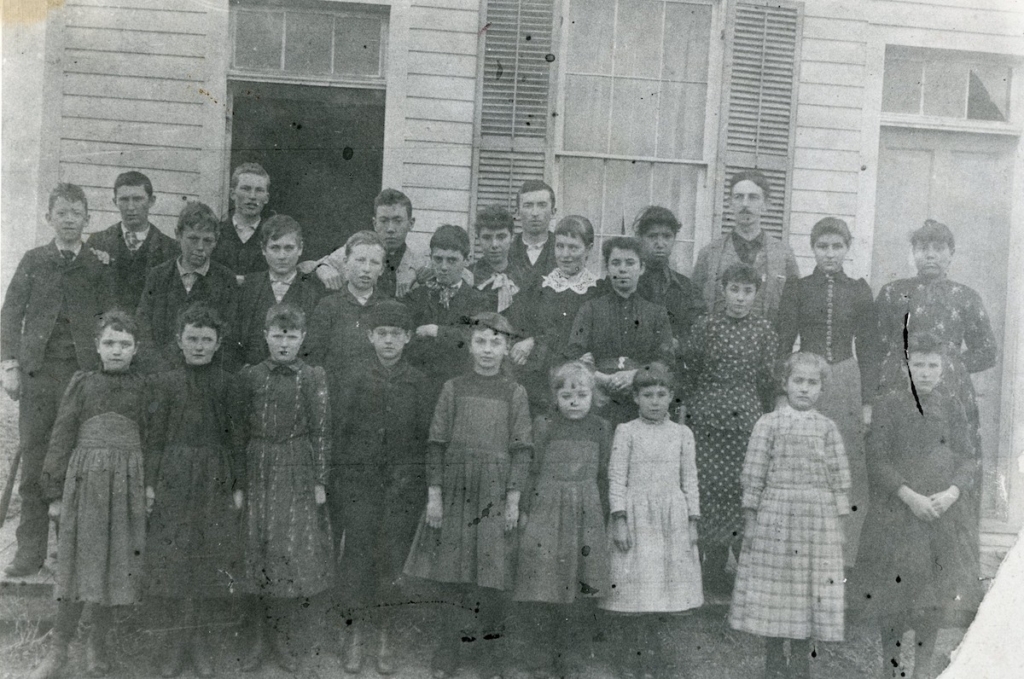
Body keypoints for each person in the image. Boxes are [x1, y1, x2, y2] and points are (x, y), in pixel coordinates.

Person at [403, 312, 533, 679]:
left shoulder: (515, 392)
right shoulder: (453, 387)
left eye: (496, 343)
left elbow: (522, 447)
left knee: (492, 573)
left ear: (507, 348)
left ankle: (491, 654)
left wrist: (512, 498)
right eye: (480, 342)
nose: (488, 350)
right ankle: (449, 650)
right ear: (470, 345)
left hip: (495, 489)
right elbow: (436, 442)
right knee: (453, 572)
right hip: (457, 486)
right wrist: (434, 494)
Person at [28, 311, 154, 679]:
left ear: (136, 349)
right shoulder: (82, 384)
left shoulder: (145, 388)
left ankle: (97, 643)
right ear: (97, 347)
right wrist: (54, 494)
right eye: (110, 343)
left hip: (126, 486)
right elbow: (61, 437)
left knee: (112, 566)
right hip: (85, 487)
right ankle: (58, 650)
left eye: (125, 344)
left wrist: (147, 489)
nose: (117, 351)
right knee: (76, 566)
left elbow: (153, 440)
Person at [1, 183, 115, 578]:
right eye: (61, 213)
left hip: (83, 377)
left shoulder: (99, 265)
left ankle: (70, 552)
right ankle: (29, 551)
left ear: (88, 219)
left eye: (76, 213)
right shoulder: (34, 261)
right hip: (39, 376)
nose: (69, 220)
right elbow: (10, 315)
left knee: (77, 460)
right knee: (34, 459)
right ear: (49, 218)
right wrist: (11, 366)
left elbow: (109, 318)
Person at [853, 333, 981, 679]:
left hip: (940, 515)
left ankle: (925, 670)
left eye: (933, 365)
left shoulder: (952, 404)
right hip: (899, 514)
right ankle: (890, 668)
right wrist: (910, 497)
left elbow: (969, 458)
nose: (925, 372)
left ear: (943, 369)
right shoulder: (889, 404)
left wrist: (953, 492)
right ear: (906, 367)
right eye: (919, 364)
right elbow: (876, 460)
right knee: (892, 597)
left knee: (933, 598)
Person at [730, 352, 851, 679]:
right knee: (775, 586)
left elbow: (840, 478)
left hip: (817, 517)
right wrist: (751, 521)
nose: (804, 389)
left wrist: (839, 525)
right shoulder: (768, 423)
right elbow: (753, 474)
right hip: (776, 514)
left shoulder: (827, 428)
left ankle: (799, 657)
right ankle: (773, 657)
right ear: (784, 383)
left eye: (813, 383)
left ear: (821, 389)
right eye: (798, 381)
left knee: (808, 587)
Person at [330, 300, 430, 675]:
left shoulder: (418, 382)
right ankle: (355, 632)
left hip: (402, 488)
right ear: (371, 336)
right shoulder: (355, 377)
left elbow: (423, 439)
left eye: (396, 334)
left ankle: (386, 632)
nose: (388, 341)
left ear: (407, 338)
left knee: (392, 559)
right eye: (382, 334)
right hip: (359, 484)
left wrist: (414, 484)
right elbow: (341, 432)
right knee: (356, 556)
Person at [234, 303, 333, 673]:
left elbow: (322, 430)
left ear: (302, 338)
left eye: (291, 335)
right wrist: (240, 483)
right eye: (278, 334)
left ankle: (285, 637)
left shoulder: (313, 377)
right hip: (258, 466)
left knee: (290, 551)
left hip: (297, 468)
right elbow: (239, 429)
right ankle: (259, 637)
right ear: (266, 336)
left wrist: (320, 480)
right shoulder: (251, 376)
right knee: (257, 548)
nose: (284, 342)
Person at [144, 304, 242, 679]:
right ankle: (172, 645)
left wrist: (238, 486)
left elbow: (237, 440)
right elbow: (154, 438)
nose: (199, 347)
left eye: (206, 340)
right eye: (192, 339)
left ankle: (197, 643)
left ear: (217, 345)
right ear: (178, 341)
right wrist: (151, 483)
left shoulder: (229, 383)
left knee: (205, 558)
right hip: (173, 474)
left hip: (215, 476)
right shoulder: (164, 382)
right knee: (172, 558)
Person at [775, 217, 880, 565]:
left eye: (837, 246)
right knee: (805, 462)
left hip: (847, 382)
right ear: (813, 249)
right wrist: (781, 393)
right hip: (807, 379)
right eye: (823, 246)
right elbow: (783, 343)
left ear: (847, 249)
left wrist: (866, 404)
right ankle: (800, 553)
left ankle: (842, 556)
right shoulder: (798, 288)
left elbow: (868, 350)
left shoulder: (860, 290)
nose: (830, 254)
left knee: (845, 466)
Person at [600, 362, 702, 679]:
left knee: (663, 588)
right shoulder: (626, 431)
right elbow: (617, 478)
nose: (655, 401)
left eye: (661, 394)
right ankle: (629, 658)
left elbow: (691, 479)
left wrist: (692, 520)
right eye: (648, 395)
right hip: (636, 516)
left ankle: (654, 656)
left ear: (671, 396)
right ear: (635, 397)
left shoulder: (682, 433)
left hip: (671, 517)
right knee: (634, 589)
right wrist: (619, 518)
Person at [682, 263, 778, 596]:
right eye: (734, 289)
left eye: (747, 291)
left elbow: (767, 379)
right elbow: (691, 369)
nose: (740, 298)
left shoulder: (764, 330)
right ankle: (710, 565)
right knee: (708, 485)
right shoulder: (706, 326)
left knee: (742, 486)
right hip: (708, 414)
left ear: (756, 294)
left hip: (747, 417)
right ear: (722, 290)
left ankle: (742, 569)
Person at [513, 361, 612, 678]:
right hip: (547, 510)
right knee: (543, 579)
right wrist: (526, 508)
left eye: (581, 395)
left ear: (592, 396)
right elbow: (531, 468)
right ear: (554, 397)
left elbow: (604, 475)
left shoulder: (601, 428)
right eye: (566, 395)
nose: (573, 401)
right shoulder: (544, 425)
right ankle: (541, 651)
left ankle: (570, 652)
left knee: (579, 582)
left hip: (586, 513)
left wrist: (605, 515)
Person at [873, 219, 997, 439]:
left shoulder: (965, 297)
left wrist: (951, 364)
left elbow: (987, 351)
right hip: (899, 390)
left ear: (951, 254)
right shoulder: (892, 292)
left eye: (938, 249)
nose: (930, 255)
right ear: (913, 252)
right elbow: (875, 347)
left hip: (949, 393)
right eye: (923, 248)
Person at [566, 236, 674, 425]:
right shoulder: (590, 309)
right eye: (616, 263)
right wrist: (600, 378)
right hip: (598, 397)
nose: (623, 269)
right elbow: (573, 354)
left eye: (630, 263)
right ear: (607, 268)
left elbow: (665, 360)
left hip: (641, 398)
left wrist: (635, 375)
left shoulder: (656, 313)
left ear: (641, 268)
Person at [507, 215, 603, 413]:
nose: (565, 254)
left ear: (589, 249)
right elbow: (520, 327)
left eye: (573, 247)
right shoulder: (539, 286)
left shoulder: (598, 291)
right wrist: (529, 341)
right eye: (560, 246)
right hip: (539, 376)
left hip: (579, 382)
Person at [136, 201, 238, 372]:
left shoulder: (225, 279)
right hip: (161, 372)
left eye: (207, 241)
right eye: (193, 239)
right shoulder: (158, 276)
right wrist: (159, 367)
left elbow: (229, 334)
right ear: (178, 235)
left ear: (216, 241)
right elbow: (143, 326)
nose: (200, 247)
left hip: (207, 371)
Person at [692, 169, 799, 324]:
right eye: (739, 197)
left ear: (765, 204)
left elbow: (792, 310)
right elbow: (695, 304)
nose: (745, 204)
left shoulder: (784, 255)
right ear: (730, 204)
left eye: (753, 197)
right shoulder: (709, 253)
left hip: (768, 345)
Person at [311, 188, 456, 297]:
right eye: (384, 221)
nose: (391, 229)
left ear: (411, 224)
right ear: (374, 223)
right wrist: (322, 268)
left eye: (398, 221)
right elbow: (306, 267)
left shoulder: (419, 260)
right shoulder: (355, 251)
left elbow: (461, 273)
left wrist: (420, 272)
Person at [404, 224, 489, 398]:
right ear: (430, 258)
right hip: (420, 388)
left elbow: (471, 339)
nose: (443, 267)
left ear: (467, 260)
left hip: (461, 387)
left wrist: (436, 331)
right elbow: (408, 342)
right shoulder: (417, 297)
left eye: (452, 260)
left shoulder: (478, 301)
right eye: (438, 259)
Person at [235, 215, 325, 366]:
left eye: (289, 248)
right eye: (275, 248)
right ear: (263, 249)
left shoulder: (314, 289)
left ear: (300, 248)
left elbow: (317, 344)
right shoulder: (249, 286)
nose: (282, 256)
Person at [86, 170, 180, 312]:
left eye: (137, 199)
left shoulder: (170, 248)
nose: (130, 207)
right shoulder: (97, 242)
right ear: (115, 202)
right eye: (124, 199)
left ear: (151, 201)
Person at [306, 230, 386, 386]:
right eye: (360, 260)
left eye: (374, 263)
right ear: (345, 262)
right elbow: (313, 358)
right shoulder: (327, 306)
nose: (366, 269)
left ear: (382, 269)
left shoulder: (387, 307)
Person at [633, 206, 705, 366]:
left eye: (667, 236)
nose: (660, 243)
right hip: (631, 368)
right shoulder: (626, 283)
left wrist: (679, 343)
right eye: (652, 236)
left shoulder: (687, 288)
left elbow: (699, 331)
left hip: (672, 370)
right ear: (639, 238)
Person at [212, 162, 272, 280]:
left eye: (259, 190)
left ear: (266, 198)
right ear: (232, 194)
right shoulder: (215, 233)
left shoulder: (274, 235)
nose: (252, 196)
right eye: (246, 189)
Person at [471, 205, 530, 313]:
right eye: (487, 237)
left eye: (501, 237)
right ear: (478, 238)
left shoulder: (527, 277)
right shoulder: (468, 277)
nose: (494, 244)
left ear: (512, 237)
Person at [509, 180, 559, 287]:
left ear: (553, 212)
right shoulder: (507, 251)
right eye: (528, 205)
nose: (535, 213)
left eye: (542, 205)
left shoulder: (563, 252)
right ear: (517, 213)